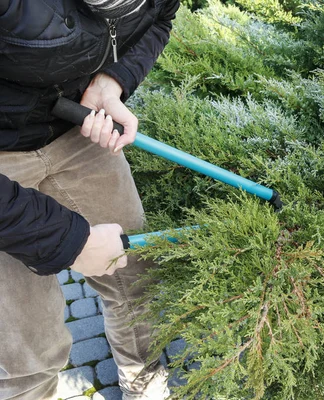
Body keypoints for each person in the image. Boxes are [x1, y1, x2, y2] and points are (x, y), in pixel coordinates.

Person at [0, 0, 180, 398]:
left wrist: (112, 80)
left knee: (135, 278)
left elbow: (161, 17)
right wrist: (68, 240)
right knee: (26, 350)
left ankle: (143, 380)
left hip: (73, 129)